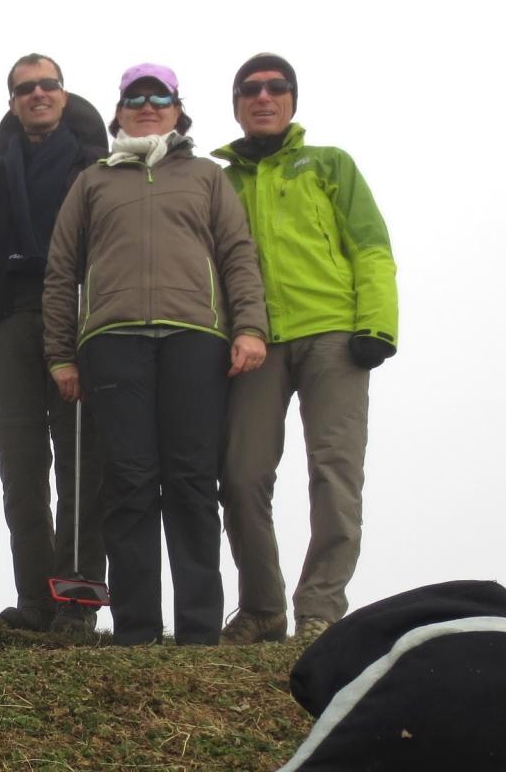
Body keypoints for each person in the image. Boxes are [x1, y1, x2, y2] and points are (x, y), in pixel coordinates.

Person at [43, 63, 268, 645]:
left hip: (196, 338)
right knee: (129, 481)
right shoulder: (93, 180)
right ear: (119, 111)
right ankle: (137, 630)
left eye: (159, 96)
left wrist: (250, 328)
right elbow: (62, 270)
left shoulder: (206, 176)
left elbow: (238, 255)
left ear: (177, 107)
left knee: (193, 480)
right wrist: (61, 355)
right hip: (111, 342)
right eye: (135, 97)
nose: (147, 106)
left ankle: (198, 631)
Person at [215, 53, 399, 646]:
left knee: (334, 473)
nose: (263, 97)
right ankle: (263, 608)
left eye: (277, 87)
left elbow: (370, 246)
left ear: (292, 100)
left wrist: (377, 324)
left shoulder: (330, 164)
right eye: (250, 89)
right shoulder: (220, 180)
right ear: (237, 103)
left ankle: (320, 609)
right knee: (241, 476)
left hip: (334, 334)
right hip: (253, 342)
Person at [0, 54, 107, 633]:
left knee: (80, 467)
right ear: (13, 102)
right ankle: (37, 601)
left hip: (81, 320)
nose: (37, 94)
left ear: (64, 95)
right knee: (21, 468)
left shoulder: (97, 170)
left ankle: (79, 604)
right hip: (12, 322)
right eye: (24, 89)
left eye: (47, 85)